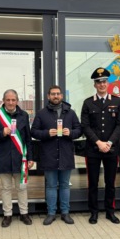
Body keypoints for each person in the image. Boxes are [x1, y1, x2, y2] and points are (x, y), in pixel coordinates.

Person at [31, 85, 82, 225]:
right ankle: (51, 213)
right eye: (53, 94)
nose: (55, 96)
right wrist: (46, 133)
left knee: (65, 185)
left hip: (66, 154)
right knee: (51, 186)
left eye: (58, 94)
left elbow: (79, 130)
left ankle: (65, 213)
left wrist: (70, 133)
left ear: (62, 96)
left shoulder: (70, 113)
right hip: (49, 155)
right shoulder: (41, 113)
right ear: (48, 96)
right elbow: (33, 131)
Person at [81, 67, 120, 225]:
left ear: (108, 83)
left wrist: (109, 142)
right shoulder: (87, 103)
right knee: (93, 183)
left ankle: (110, 211)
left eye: (104, 81)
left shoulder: (117, 101)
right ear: (94, 85)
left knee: (110, 183)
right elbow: (85, 126)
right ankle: (93, 212)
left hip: (112, 149)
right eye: (98, 82)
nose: (101, 84)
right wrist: (98, 142)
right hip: (93, 149)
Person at [0, 89, 34, 228]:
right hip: (3, 158)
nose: (11, 102)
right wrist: (2, 132)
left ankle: (24, 213)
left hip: (21, 159)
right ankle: (7, 215)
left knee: (22, 188)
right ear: (4, 100)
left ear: (17, 101)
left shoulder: (24, 115)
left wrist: (30, 158)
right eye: (8, 100)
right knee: (6, 188)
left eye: (13, 100)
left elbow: (28, 139)